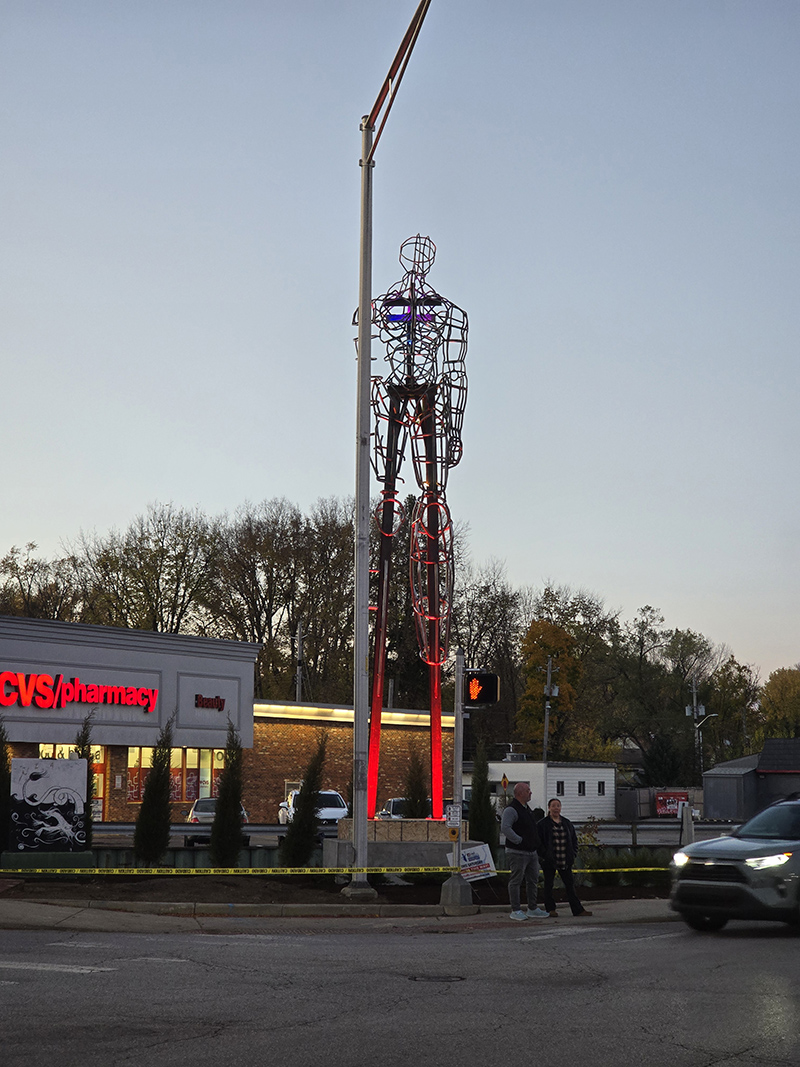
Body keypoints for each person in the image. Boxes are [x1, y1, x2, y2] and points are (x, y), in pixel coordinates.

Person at [501, 782, 550, 921]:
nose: (530, 792)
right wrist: (519, 840)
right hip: (517, 852)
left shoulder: (526, 809)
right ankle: (515, 910)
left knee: (532, 880)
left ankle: (532, 908)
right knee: (516, 881)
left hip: (531, 852)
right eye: (528, 790)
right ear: (520, 793)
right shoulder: (511, 810)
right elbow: (505, 828)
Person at [538, 797, 593, 918]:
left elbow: (574, 840)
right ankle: (550, 909)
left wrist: (573, 854)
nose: (556, 808)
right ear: (549, 808)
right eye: (553, 806)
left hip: (565, 860)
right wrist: (544, 855)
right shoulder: (542, 824)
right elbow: (539, 842)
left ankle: (578, 910)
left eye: (558, 805)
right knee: (548, 885)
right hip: (550, 860)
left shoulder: (567, 823)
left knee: (570, 885)